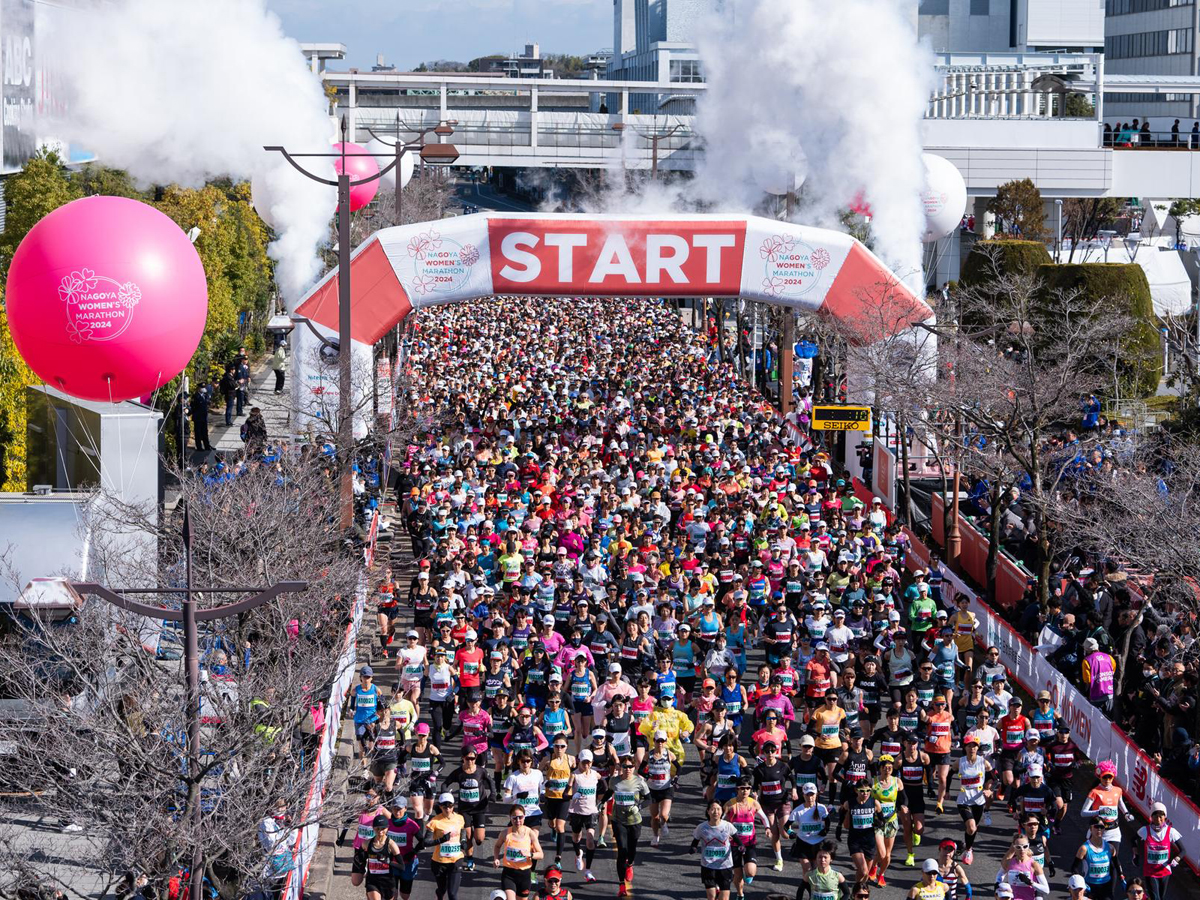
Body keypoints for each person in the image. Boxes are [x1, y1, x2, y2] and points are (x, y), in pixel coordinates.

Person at [611, 754, 652, 897]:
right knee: (622, 850)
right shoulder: (614, 781)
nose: (627, 769)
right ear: (621, 767)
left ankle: (630, 864)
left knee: (631, 849)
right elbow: (610, 792)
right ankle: (621, 884)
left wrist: (639, 806)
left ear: (634, 768)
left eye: (630, 767)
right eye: (625, 766)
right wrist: (601, 802)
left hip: (634, 821)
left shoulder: (639, 782)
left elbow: (648, 799)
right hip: (618, 820)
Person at [566, 748, 604, 883]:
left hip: (591, 812)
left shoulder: (595, 775)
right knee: (576, 837)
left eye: (588, 763)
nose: (586, 765)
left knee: (589, 839)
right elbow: (565, 794)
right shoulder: (574, 775)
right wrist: (572, 795)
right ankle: (578, 854)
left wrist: (602, 801)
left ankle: (588, 871)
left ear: (592, 762)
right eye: (583, 763)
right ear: (579, 762)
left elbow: (603, 786)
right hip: (576, 812)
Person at [493, 803, 543, 900]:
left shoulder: (530, 833)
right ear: (510, 818)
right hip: (509, 873)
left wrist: (530, 854)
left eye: (520, 817)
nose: (518, 821)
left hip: (525, 874)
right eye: (514, 818)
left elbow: (541, 854)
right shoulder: (505, 833)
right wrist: (496, 858)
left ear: (524, 817)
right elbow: (497, 846)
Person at [1134, 802, 1183, 900]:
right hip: (1150, 871)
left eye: (1161, 817)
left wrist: (1177, 858)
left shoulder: (1171, 831)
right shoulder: (1145, 830)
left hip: (1165, 871)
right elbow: (1133, 840)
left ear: (1165, 817)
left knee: (1161, 897)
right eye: (1155, 817)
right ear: (1151, 817)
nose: (1158, 820)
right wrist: (1136, 854)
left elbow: (1183, 850)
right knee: (1155, 898)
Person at [691, 799, 737, 900]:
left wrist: (741, 847)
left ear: (722, 811)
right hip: (708, 865)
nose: (715, 812)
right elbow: (695, 841)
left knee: (724, 898)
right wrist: (693, 848)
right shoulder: (702, 827)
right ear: (708, 811)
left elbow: (737, 839)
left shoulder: (727, 826)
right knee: (711, 897)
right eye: (712, 809)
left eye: (718, 809)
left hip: (725, 865)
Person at [351, 815, 402, 900]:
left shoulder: (392, 845)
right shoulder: (366, 844)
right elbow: (358, 859)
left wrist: (388, 862)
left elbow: (401, 866)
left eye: (383, 829)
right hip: (372, 881)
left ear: (387, 828)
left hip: (388, 882)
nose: (380, 832)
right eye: (377, 829)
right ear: (373, 828)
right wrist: (359, 870)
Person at [427, 793, 465, 900]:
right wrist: (441, 840)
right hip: (439, 862)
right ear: (440, 807)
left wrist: (463, 841)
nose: (448, 809)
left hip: (456, 859)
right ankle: (438, 895)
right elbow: (426, 842)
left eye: (450, 806)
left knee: (452, 894)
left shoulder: (460, 818)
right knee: (442, 889)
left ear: (453, 806)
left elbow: (462, 832)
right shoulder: (434, 821)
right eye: (445, 807)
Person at [1074, 819, 1123, 900]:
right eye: (1096, 827)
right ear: (1090, 829)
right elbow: (1074, 867)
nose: (1099, 829)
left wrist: (1121, 875)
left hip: (1106, 886)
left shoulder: (1110, 848)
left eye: (1101, 827)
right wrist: (1081, 882)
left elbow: (1116, 863)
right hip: (1090, 886)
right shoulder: (1084, 848)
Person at [190, 380, 211, 453]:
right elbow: (193, 407)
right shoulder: (195, 396)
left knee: (205, 432)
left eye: (204, 387)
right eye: (202, 387)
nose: (203, 389)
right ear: (199, 388)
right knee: (198, 433)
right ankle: (199, 447)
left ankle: (207, 446)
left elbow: (207, 404)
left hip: (204, 417)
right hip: (198, 417)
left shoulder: (205, 395)